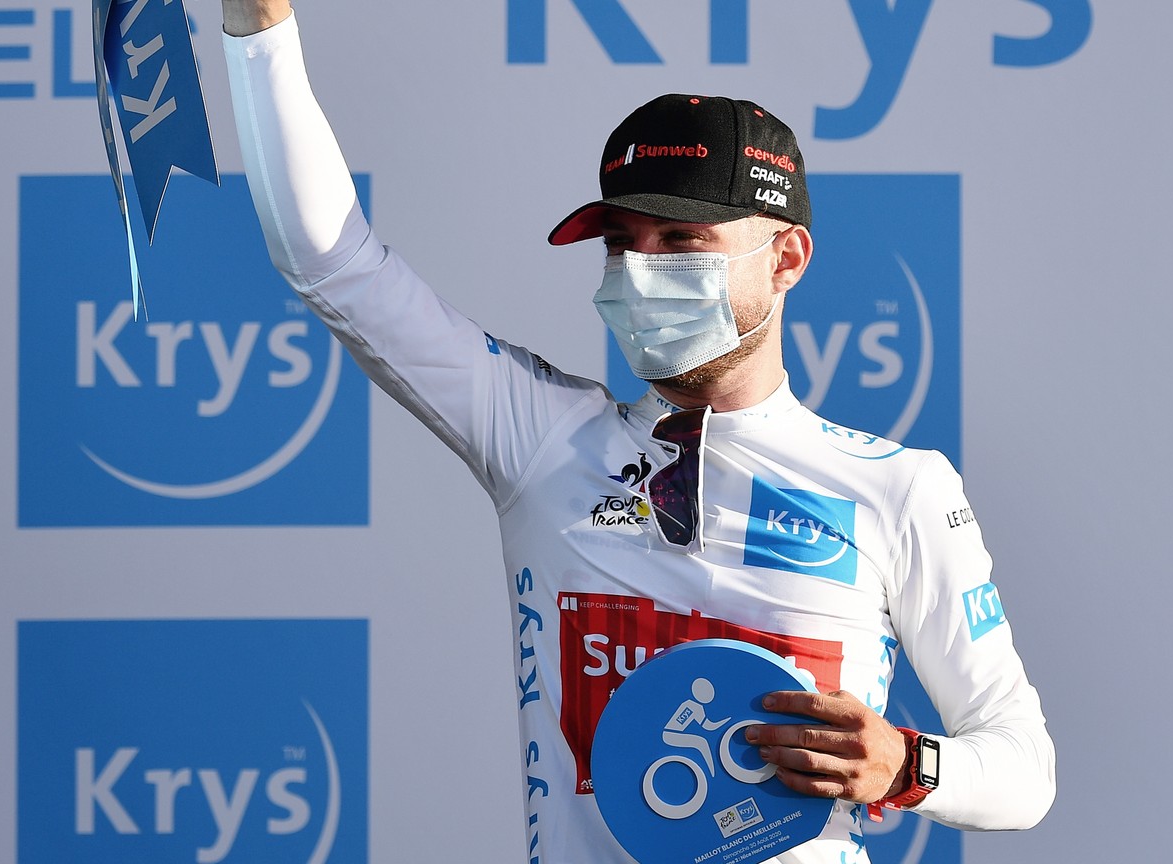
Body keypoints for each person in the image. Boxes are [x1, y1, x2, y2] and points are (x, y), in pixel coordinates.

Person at [218, 2, 1055, 861]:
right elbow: (331, 259)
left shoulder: (899, 487)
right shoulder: (543, 442)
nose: (642, 274)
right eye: (623, 245)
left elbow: (1024, 768)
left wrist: (907, 766)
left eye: (682, 241)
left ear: (788, 258)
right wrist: (259, 24)